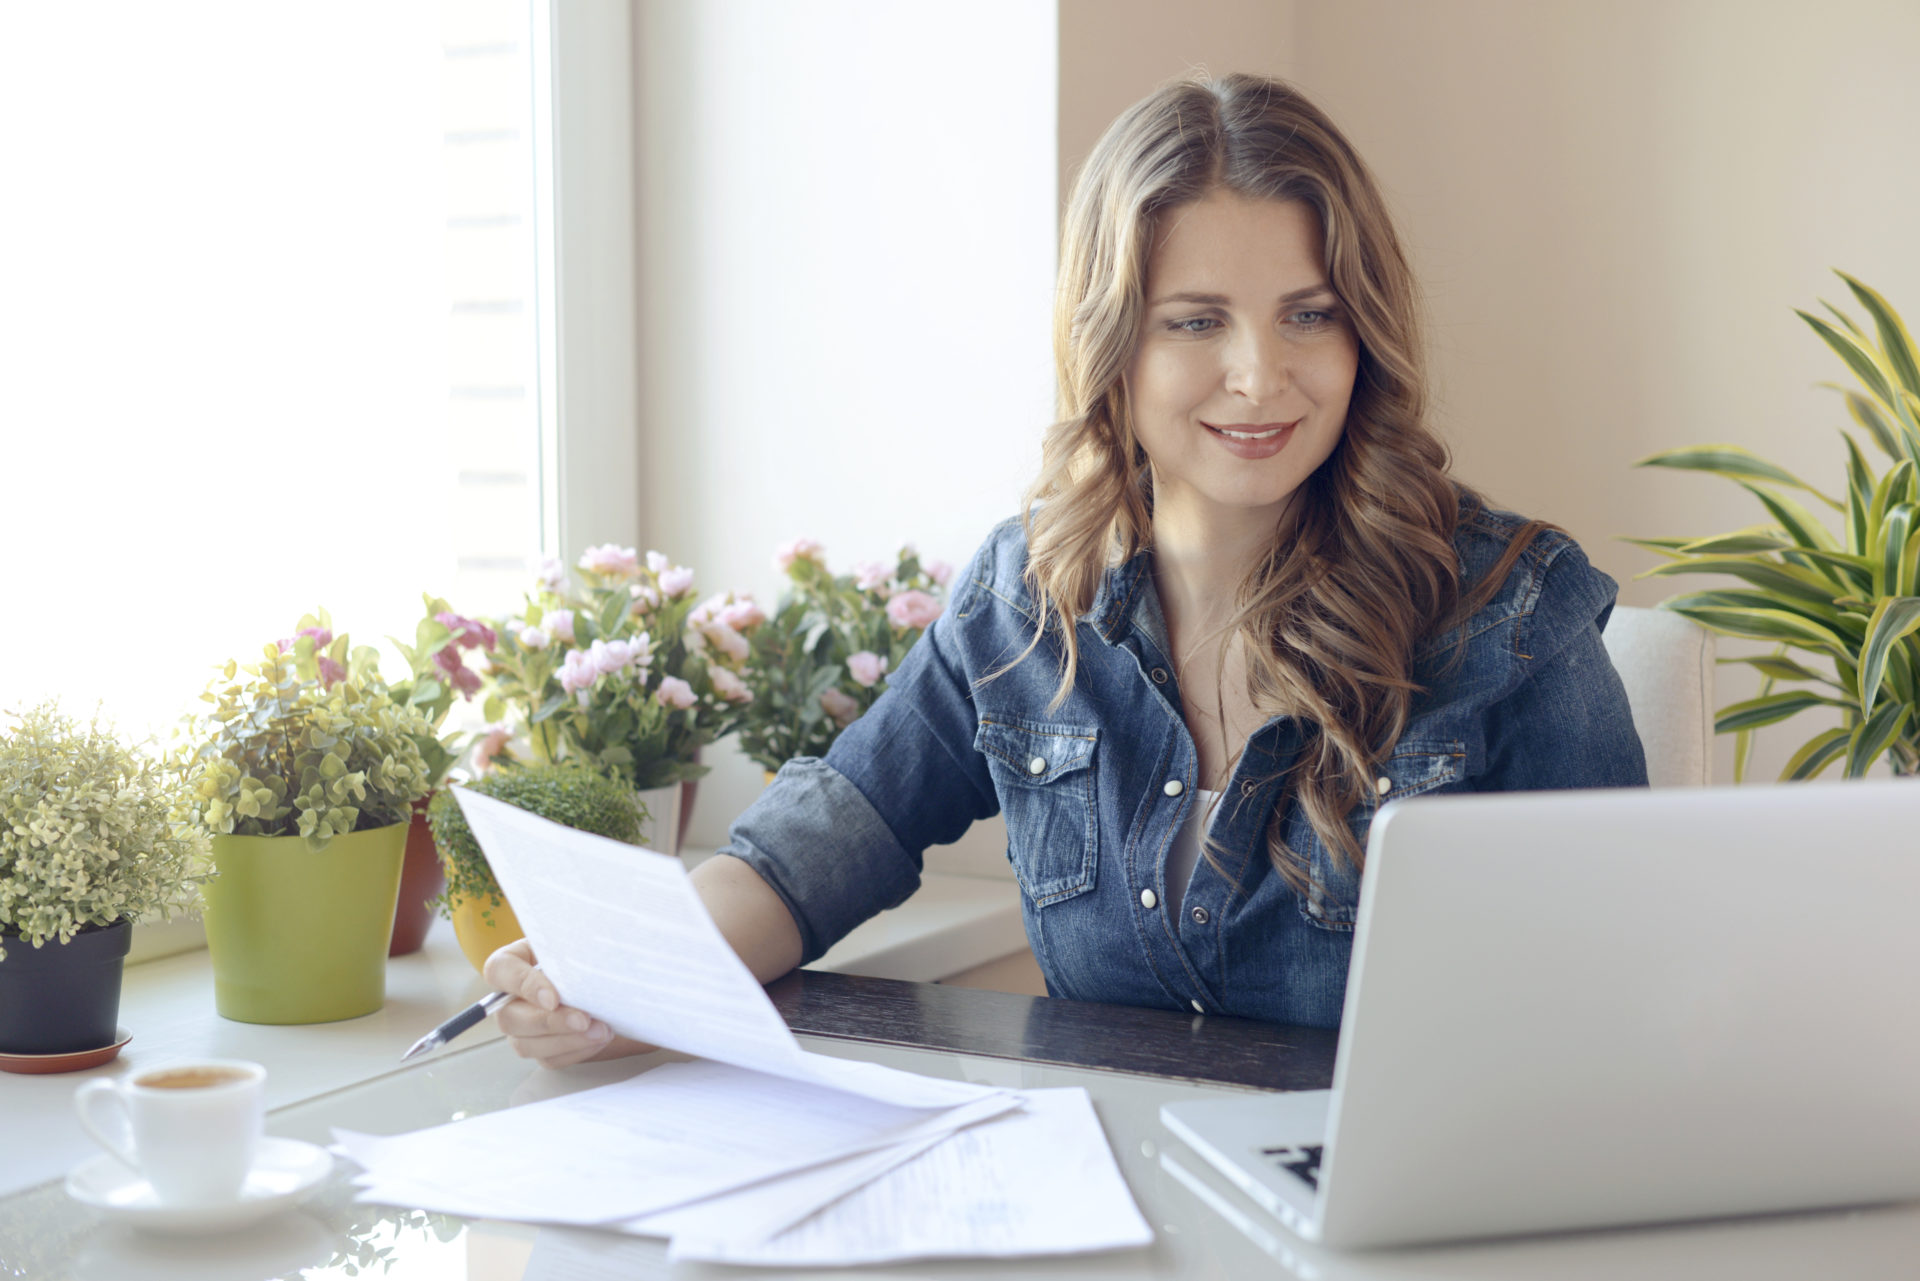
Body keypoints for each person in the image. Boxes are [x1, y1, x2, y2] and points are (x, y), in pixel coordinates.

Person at [489, 72, 1648, 1067]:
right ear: (1113, 346)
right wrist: (615, 981)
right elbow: (820, 848)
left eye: (1309, 315)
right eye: (1196, 322)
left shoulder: (1512, 617)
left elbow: (1623, 1012)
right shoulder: (1023, 601)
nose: (1261, 376)